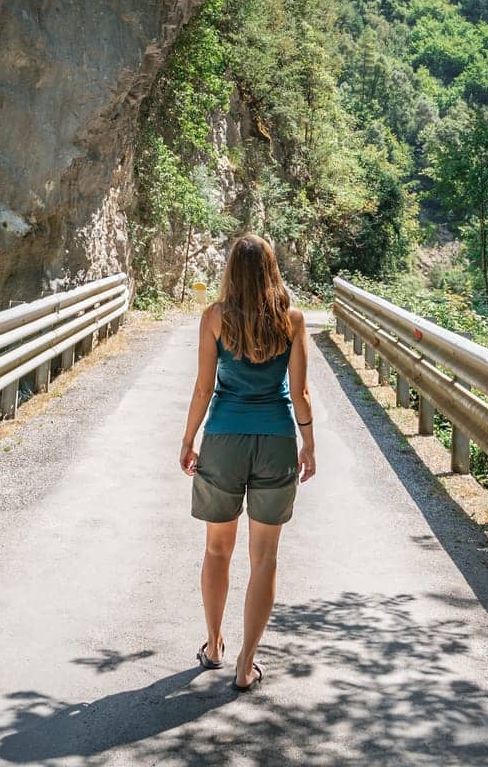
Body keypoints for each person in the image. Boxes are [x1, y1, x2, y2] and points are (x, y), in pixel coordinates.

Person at [179, 234, 316, 692]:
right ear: (273, 269)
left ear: (231, 272)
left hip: (223, 441)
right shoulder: (291, 320)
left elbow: (202, 388)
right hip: (276, 439)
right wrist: (309, 444)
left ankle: (214, 645)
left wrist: (188, 437)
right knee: (265, 557)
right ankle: (245, 664)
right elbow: (299, 393)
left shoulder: (214, 318)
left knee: (218, 549)